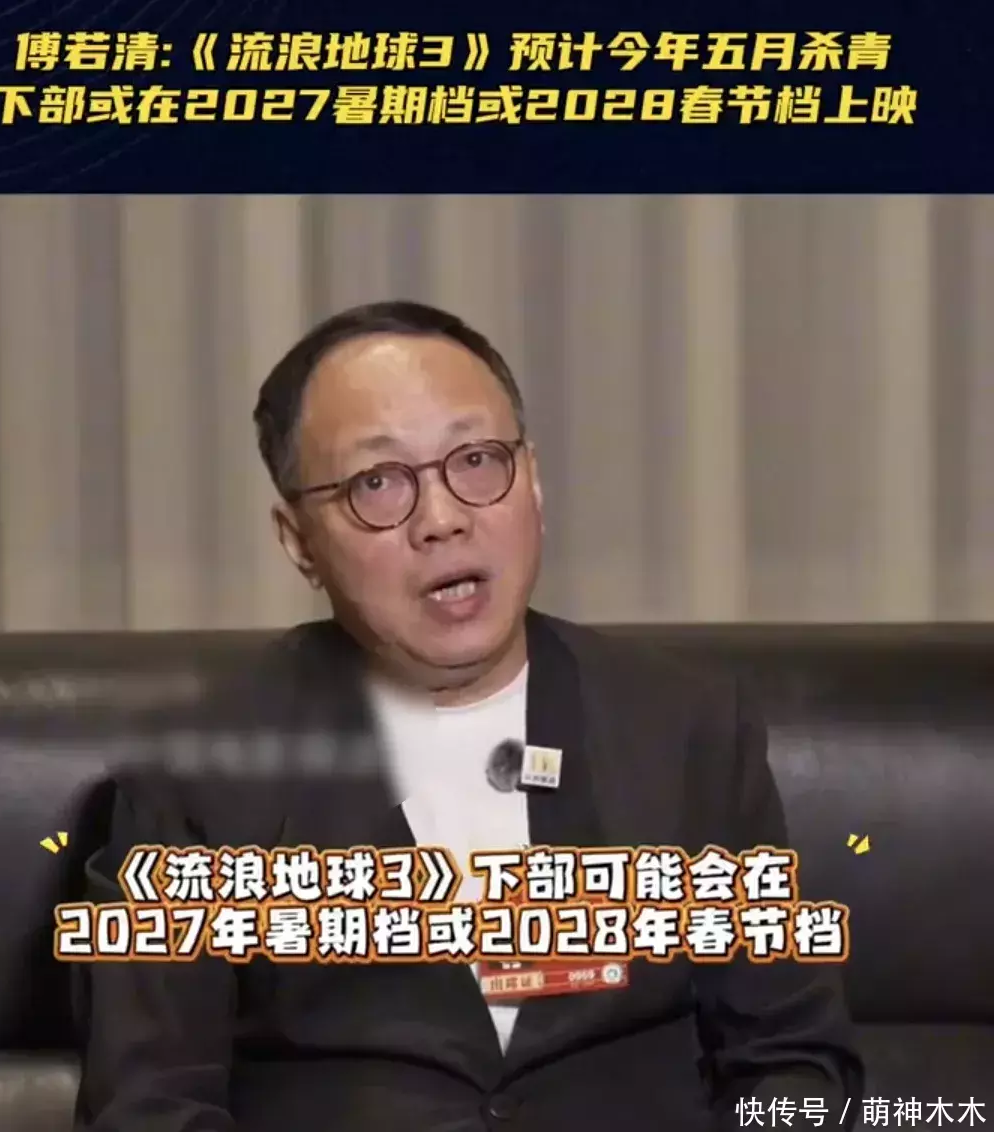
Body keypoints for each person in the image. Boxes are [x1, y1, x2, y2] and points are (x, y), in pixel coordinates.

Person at [74, 300, 863, 1131]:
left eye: (478, 460)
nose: (444, 519)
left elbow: (794, 1061)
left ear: (535, 483)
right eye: (378, 484)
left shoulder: (687, 728)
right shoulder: (193, 781)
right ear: (299, 541)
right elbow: (148, 1109)